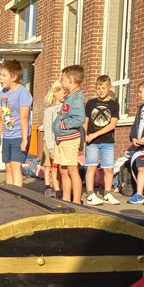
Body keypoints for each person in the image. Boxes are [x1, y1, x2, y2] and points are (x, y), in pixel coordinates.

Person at [0, 60, 31, 188]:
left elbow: (24, 117)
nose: (0, 78)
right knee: (8, 167)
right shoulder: (3, 94)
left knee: (15, 166)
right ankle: (10, 193)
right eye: (0, 75)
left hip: (19, 135)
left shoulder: (23, 93)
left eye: (4, 75)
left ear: (14, 77)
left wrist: (24, 139)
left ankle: (17, 194)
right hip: (8, 135)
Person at [84, 75, 120, 206]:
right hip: (91, 142)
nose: (100, 91)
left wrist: (94, 135)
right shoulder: (90, 103)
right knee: (91, 167)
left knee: (108, 169)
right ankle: (90, 194)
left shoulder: (114, 104)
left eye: (103, 88)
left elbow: (112, 125)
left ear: (109, 87)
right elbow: (85, 122)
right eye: (98, 88)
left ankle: (107, 194)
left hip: (107, 141)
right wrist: (86, 136)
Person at [51, 65, 86, 204]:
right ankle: (65, 199)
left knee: (72, 169)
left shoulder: (77, 97)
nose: (61, 82)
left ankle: (76, 201)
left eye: (63, 79)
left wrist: (63, 125)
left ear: (70, 80)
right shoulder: (69, 97)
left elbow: (79, 118)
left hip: (69, 138)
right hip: (61, 139)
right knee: (63, 170)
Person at [42, 81, 63, 198]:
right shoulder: (49, 110)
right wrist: (50, 148)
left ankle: (58, 187)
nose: (64, 94)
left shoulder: (65, 107)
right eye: (62, 92)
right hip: (49, 142)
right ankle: (47, 187)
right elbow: (47, 128)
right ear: (55, 92)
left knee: (57, 167)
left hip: (60, 143)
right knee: (48, 165)